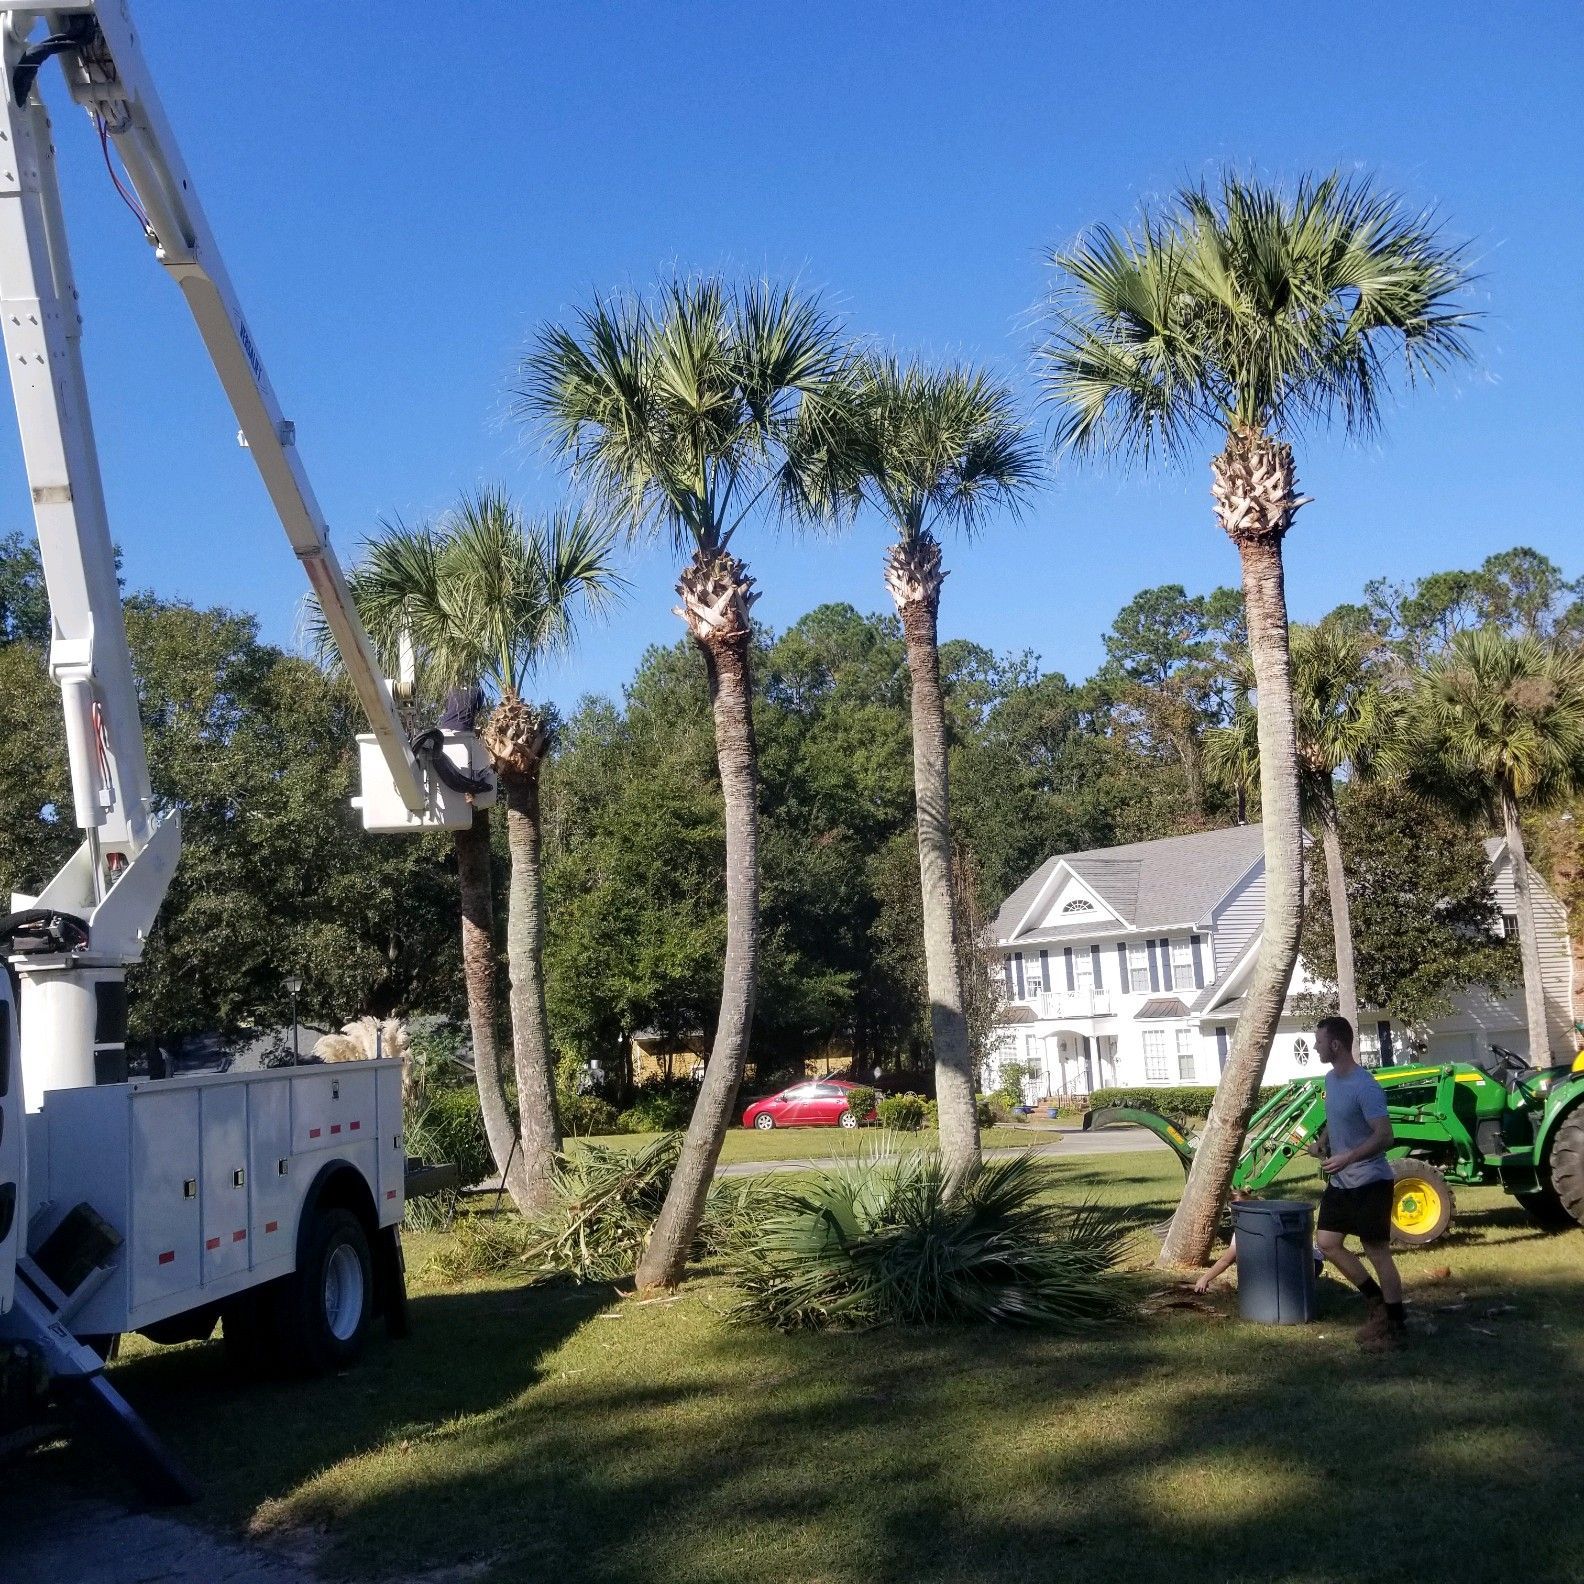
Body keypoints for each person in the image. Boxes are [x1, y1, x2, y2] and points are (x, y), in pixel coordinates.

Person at [1313, 1015, 1407, 1351]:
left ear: (1335, 1045)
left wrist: (1348, 1156)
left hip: (1370, 1182)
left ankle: (1395, 1325)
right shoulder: (1331, 1079)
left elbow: (1385, 1136)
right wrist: (1324, 1141)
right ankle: (1376, 1303)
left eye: (1320, 1042)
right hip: (1341, 1182)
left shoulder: (1365, 1086)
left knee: (1377, 1251)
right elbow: (1335, 1115)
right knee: (1327, 1242)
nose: (1315, 1046)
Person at [1193, 1190, 1324, 1293]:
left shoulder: (1245, 1231)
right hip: (1311, 1263)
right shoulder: (1267, 1215)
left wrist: (1205, 1278)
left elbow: (1226, 1261)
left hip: (1298, 1267)